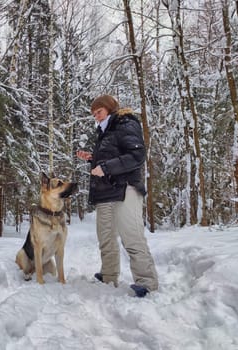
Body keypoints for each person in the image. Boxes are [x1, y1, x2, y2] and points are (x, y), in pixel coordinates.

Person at [76, 94, 158, 297]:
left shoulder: (125, 124)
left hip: (125, 188)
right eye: (94, 114)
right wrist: (93, 159)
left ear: (110, 108)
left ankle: (146, 282)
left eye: (99, 112)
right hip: (106, 192)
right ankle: (108, 274)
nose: (96, 117)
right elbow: (111, 157)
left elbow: (137, 156)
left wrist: (105, 166)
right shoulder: (105, 131)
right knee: (105, 237)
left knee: (132, 236)